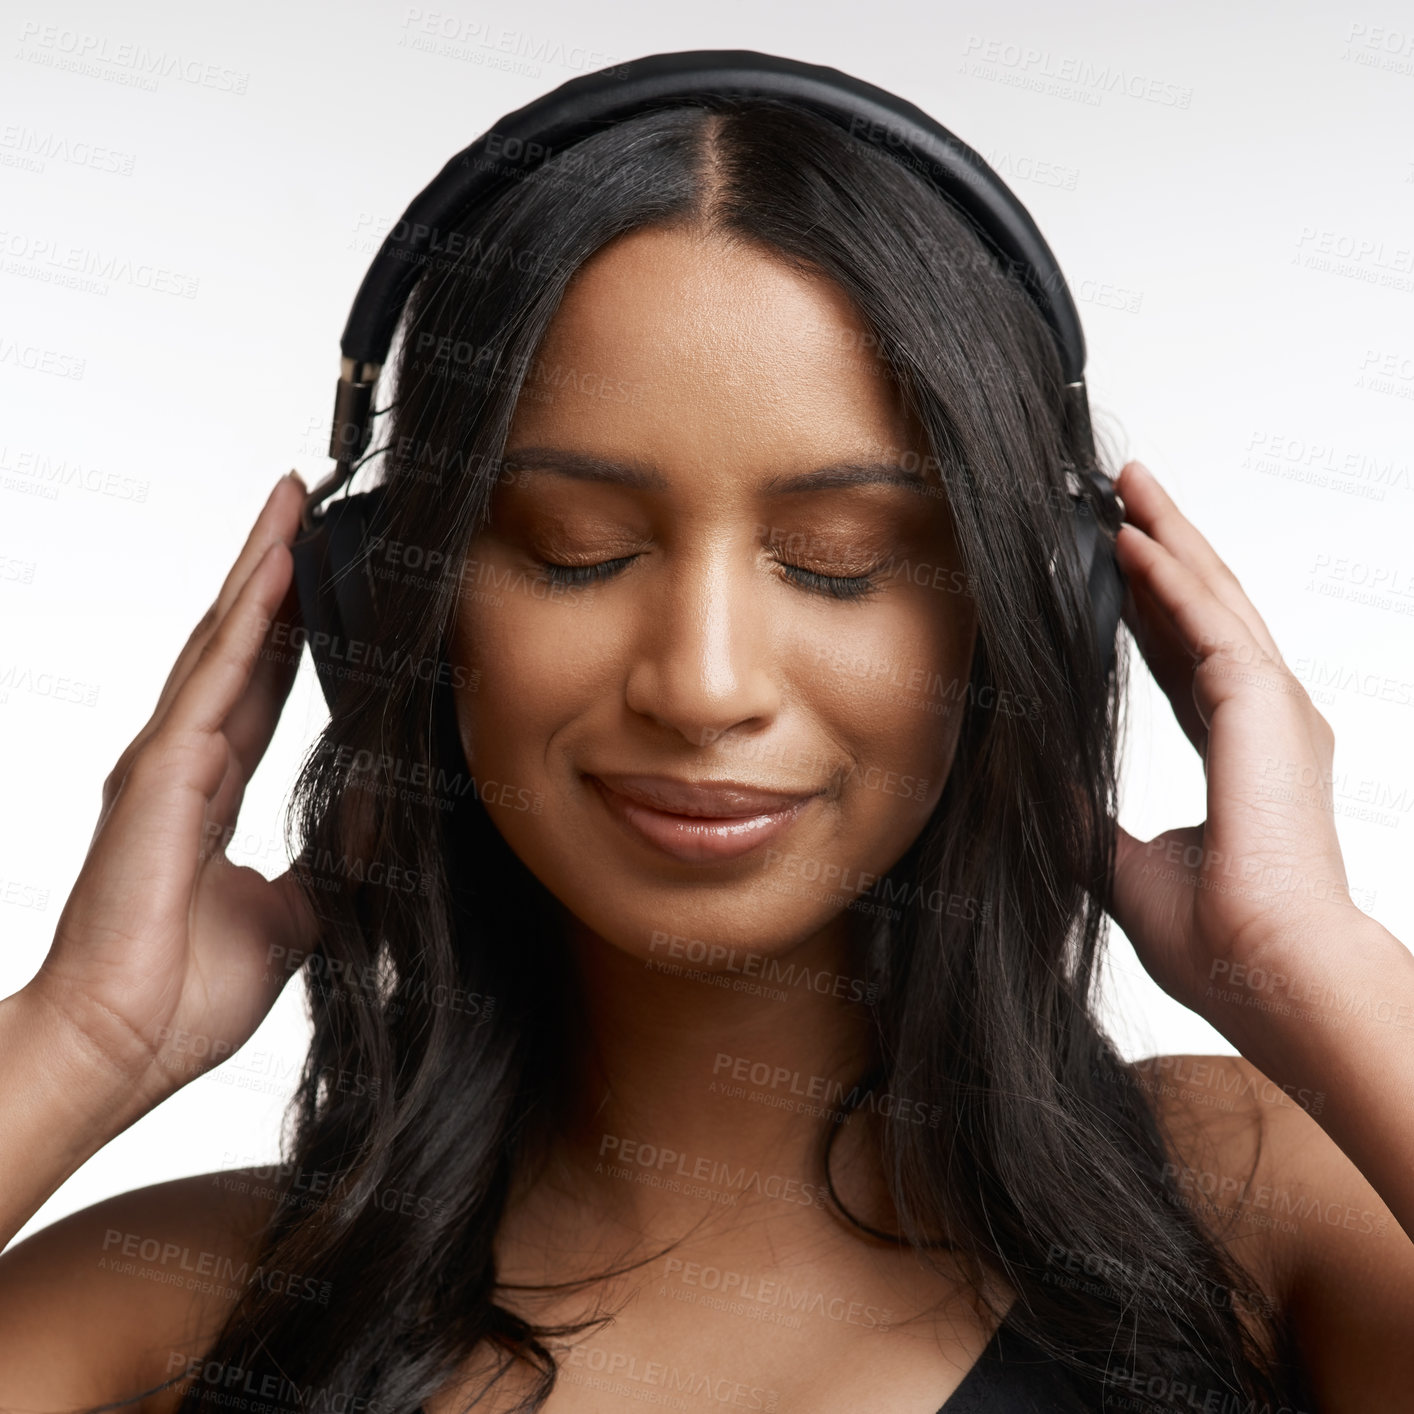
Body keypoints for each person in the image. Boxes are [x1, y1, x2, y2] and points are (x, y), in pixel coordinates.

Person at [1, 95, 1411, 1414]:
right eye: (577, 549)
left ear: (1035, 609)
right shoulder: (173, 1309)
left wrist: (1313, 968)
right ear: (384, 604)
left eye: (839, 562)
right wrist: (78, 1042)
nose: (703, 681)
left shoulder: (1251, 1201)